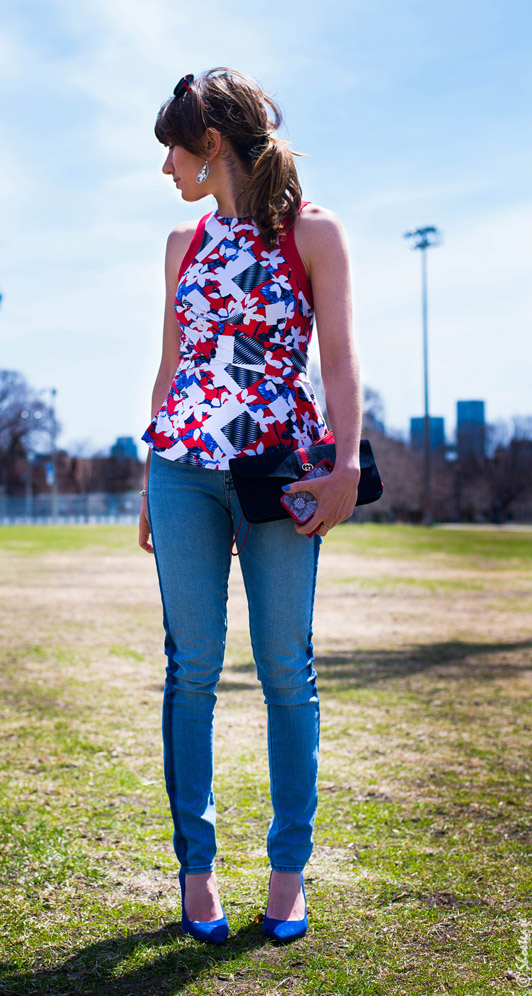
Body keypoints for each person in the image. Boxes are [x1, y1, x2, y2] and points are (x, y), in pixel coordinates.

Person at [138, 68, 361, 943]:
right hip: (183, 470)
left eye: (174, 149)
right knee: (191, 671)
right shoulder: (181, 244)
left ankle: (287, 872)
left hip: (282, 471)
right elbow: (170, 365)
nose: (167, 168)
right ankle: (197, 875)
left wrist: (345, 467)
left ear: (214, 145)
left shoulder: (314, 232)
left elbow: (339, 358)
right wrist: (147, 475)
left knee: (286, 673)